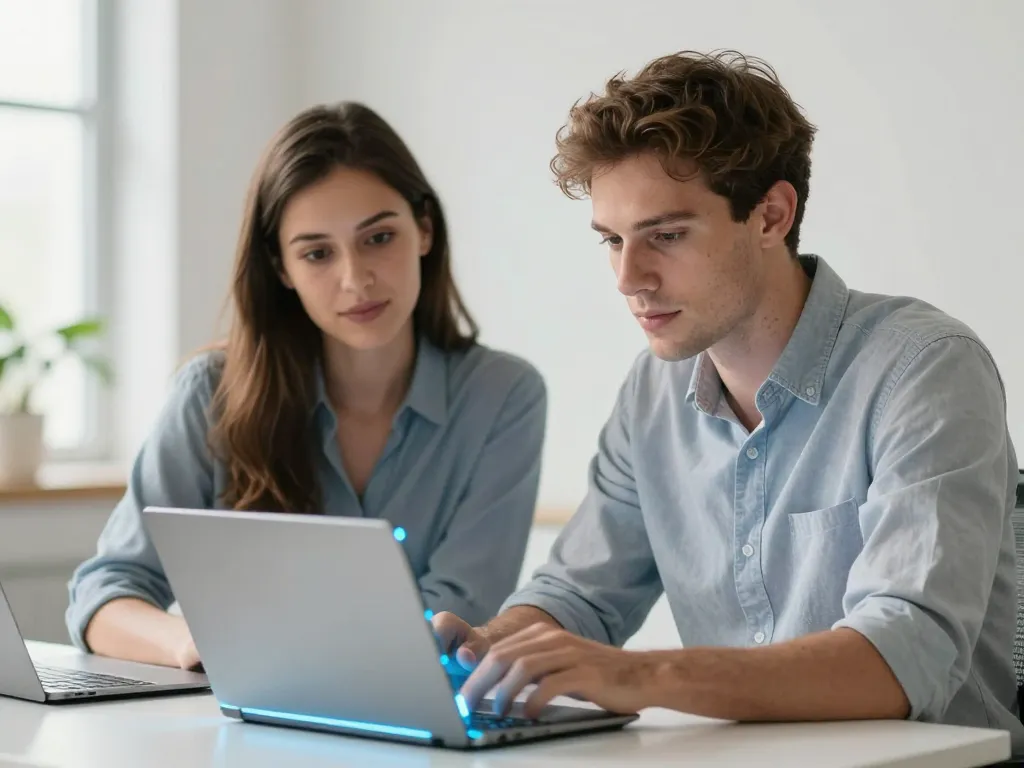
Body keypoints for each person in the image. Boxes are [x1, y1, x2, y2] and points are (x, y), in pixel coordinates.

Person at [433, 50, 1023, 752]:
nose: (628, 278)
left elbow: (901, 656)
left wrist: (640, 675)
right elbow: (580, 597)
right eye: (612, 240)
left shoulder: (923, 369)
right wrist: (483, 650)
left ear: (771, 214)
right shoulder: (653, 393)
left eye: (667, 235)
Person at [67, 102, 547, 671]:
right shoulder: (210, 393)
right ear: (280, 268)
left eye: (378, 237)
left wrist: (274, 647)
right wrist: (192, 644)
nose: (355, 278)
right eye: (317, 253)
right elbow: (105, 593)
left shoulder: (504, 395)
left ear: (423, 229)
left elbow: (455, 616)